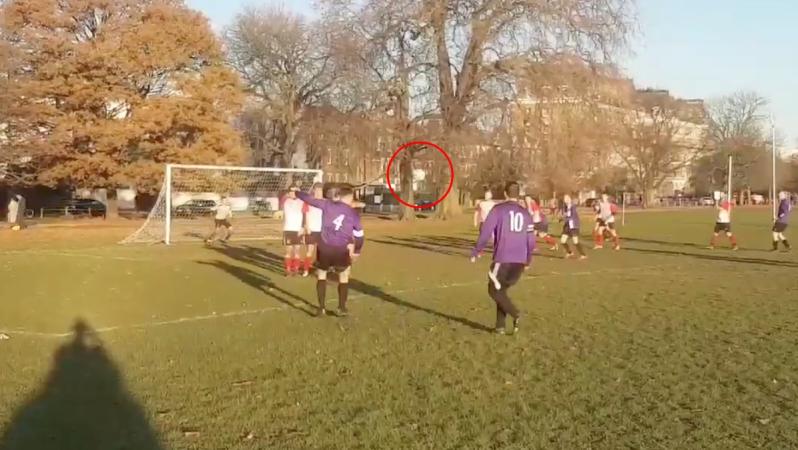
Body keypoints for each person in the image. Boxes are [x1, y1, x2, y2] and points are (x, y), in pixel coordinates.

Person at [471, 182, 534, 335]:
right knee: (501, 291)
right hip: (519, 261)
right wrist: (528, 259)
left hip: (503, 258)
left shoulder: (498, 210)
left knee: (493, 290)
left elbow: (486, 232)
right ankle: (500, 327)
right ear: (518, 194)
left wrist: (477, 250)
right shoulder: (526, 213)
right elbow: (531, 240)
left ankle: (515, 313)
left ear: (505, 194)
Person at [297, 184, 364, 317]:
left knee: (322, 275)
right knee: (343, 276)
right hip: (341, 249)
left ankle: (321, 308)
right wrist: (357, 251)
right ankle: (341, 308)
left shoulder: (327, 205)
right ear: (350, 198)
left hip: (325, 248)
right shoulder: (353, 213)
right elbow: (359, 235)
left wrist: (298, 193)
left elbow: (309, 199)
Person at [281, 187, 306, 276]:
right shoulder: (285, 201)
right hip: (288, 229)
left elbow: (304, 215)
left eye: (295, 191)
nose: (293, 193)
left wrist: (302, 227)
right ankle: (288, 270)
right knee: (288, 251)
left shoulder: (302, 202)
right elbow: (281, 196)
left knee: (297, 251)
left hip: (298, 229)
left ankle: (296, 269)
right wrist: (288, 192)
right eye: (291, 191)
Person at [302, 183, 324, 277]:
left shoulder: (325, 202)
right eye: (317, 190)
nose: (318, 192)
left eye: (320, 190)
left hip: (322, 231)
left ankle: (320, 270)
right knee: (309, 251)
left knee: (322, 252)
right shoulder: (308, 201)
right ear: (313, 190)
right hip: (311, 230)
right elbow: (305, 214)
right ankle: (306, 270)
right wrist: (306, 226)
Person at [560, 195, 587, 260]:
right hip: (567, 226)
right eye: (564, 199)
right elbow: (565, 215)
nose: (565, 200)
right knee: (562, 241)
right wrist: (561, 218)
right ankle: (569, 252)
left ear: (569, 199)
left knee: (575, 241)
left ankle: (583, 255)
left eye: (567, 199)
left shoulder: (573, 206)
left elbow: (572, 216)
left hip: (574, 226)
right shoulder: (565, 207)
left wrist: (565, 219)